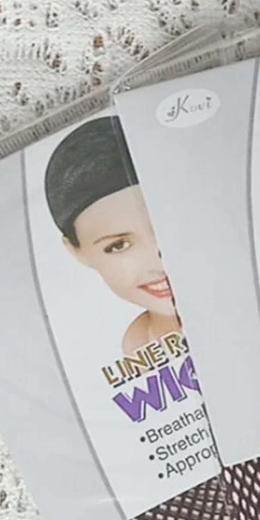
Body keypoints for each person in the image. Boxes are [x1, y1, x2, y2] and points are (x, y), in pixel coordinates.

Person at [45, 116, 180, 355]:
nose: (159, 260)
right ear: (76, 251)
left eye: (167, 225)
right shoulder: (131, 345)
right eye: (119, 245)